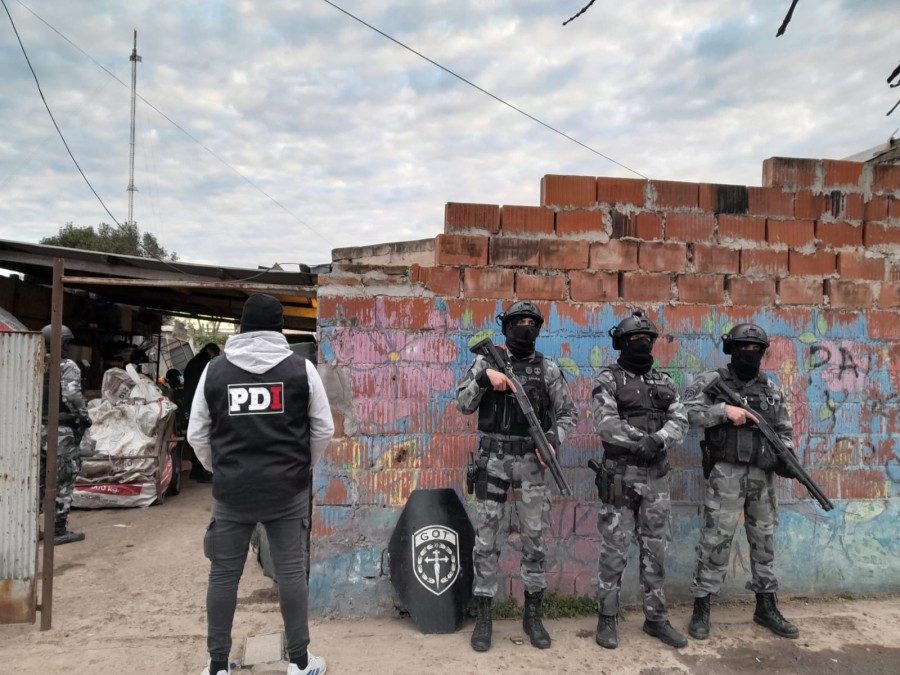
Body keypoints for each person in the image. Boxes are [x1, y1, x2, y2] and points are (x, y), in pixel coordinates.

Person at [187, 294, 334, 675]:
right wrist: (301, 467)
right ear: (279, 327)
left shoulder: (214, 371)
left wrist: (220, 470)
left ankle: (217, 666)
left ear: (242, 327)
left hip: (232, 493)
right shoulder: (301, 370)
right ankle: (300, 662)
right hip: (287, 491)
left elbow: (196, 434)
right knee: (290, 574)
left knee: (223, 576)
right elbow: (323, 428)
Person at [455, 301, 578, 652]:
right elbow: (463, 404)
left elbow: (568, 413)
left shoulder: (547, 369)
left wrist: (552, 439)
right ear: (506, 327)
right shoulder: (486, 362)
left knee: (535, 540)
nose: (525, 328)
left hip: (530, 462)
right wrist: (484, 380)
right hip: (492, 460)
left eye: (530, 323)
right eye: (518, 322)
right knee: (486, 541)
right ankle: (484, 617)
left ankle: (532, 616)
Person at [683, 323, 800, 641]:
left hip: (762, 476)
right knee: (715, 541)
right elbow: (686, 412)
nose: (749, 353)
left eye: (755, 348)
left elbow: (784, 430)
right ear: (731, 350)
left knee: (764, 541)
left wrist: (787, 455)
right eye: (743, 347)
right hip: (727, 474)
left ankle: (766, 606)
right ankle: (702, 607)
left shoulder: (771, 389)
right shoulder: (714, 380)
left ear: (763, 353)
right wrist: (724, 411)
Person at [589, 310, 688, 649]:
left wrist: (658, 440)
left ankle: (656, 619)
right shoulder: (608, 380)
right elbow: (606, 424)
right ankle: (607, 617)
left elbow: (680, 420)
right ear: (621, 343)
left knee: (656, 549)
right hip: (621, 475)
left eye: (647, 339)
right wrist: (639, 441)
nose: (642, 344)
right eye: (635, 339)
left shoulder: (665, 382)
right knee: (614, 550)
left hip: (656, 477)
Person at [40, 324, 91, 545]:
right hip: (60, 431)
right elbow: (71, 396)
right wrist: (85, 416)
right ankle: (58, 531)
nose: (69, 347)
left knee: (38, 481)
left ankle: (28, 528)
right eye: (67, 342)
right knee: (64, 479)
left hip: (37, 429)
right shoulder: (67, 366)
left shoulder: (36, 362)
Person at [183, 342, 221, 483]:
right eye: (216, 354)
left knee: (197, 435)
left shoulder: (194, 362)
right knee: (203, 435)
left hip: (190, 402)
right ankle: (203, 473)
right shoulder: (205, 365)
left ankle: (195, 471)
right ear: (210, 351)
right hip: (199, 403)